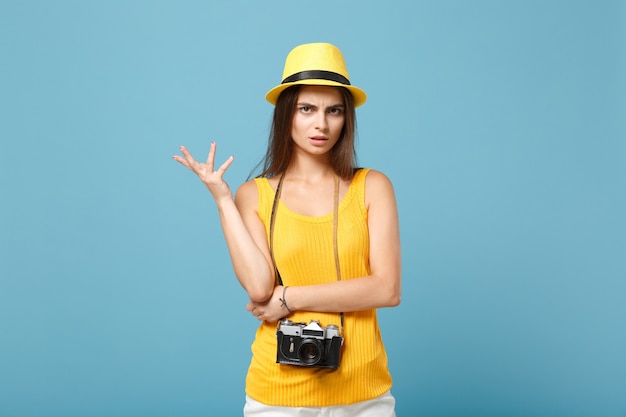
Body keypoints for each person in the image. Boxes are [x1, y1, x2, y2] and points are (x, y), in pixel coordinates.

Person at [173, 42, 401, 416]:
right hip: (279, 395)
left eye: (334, 111)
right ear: (286, 115)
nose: (321, 124)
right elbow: (260, 288)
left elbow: (387, 288)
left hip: (364, 394)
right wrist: (223, 201)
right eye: (306, 109)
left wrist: (289, 299)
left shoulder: (372, 187)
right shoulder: (256, 195)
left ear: (347, 119)